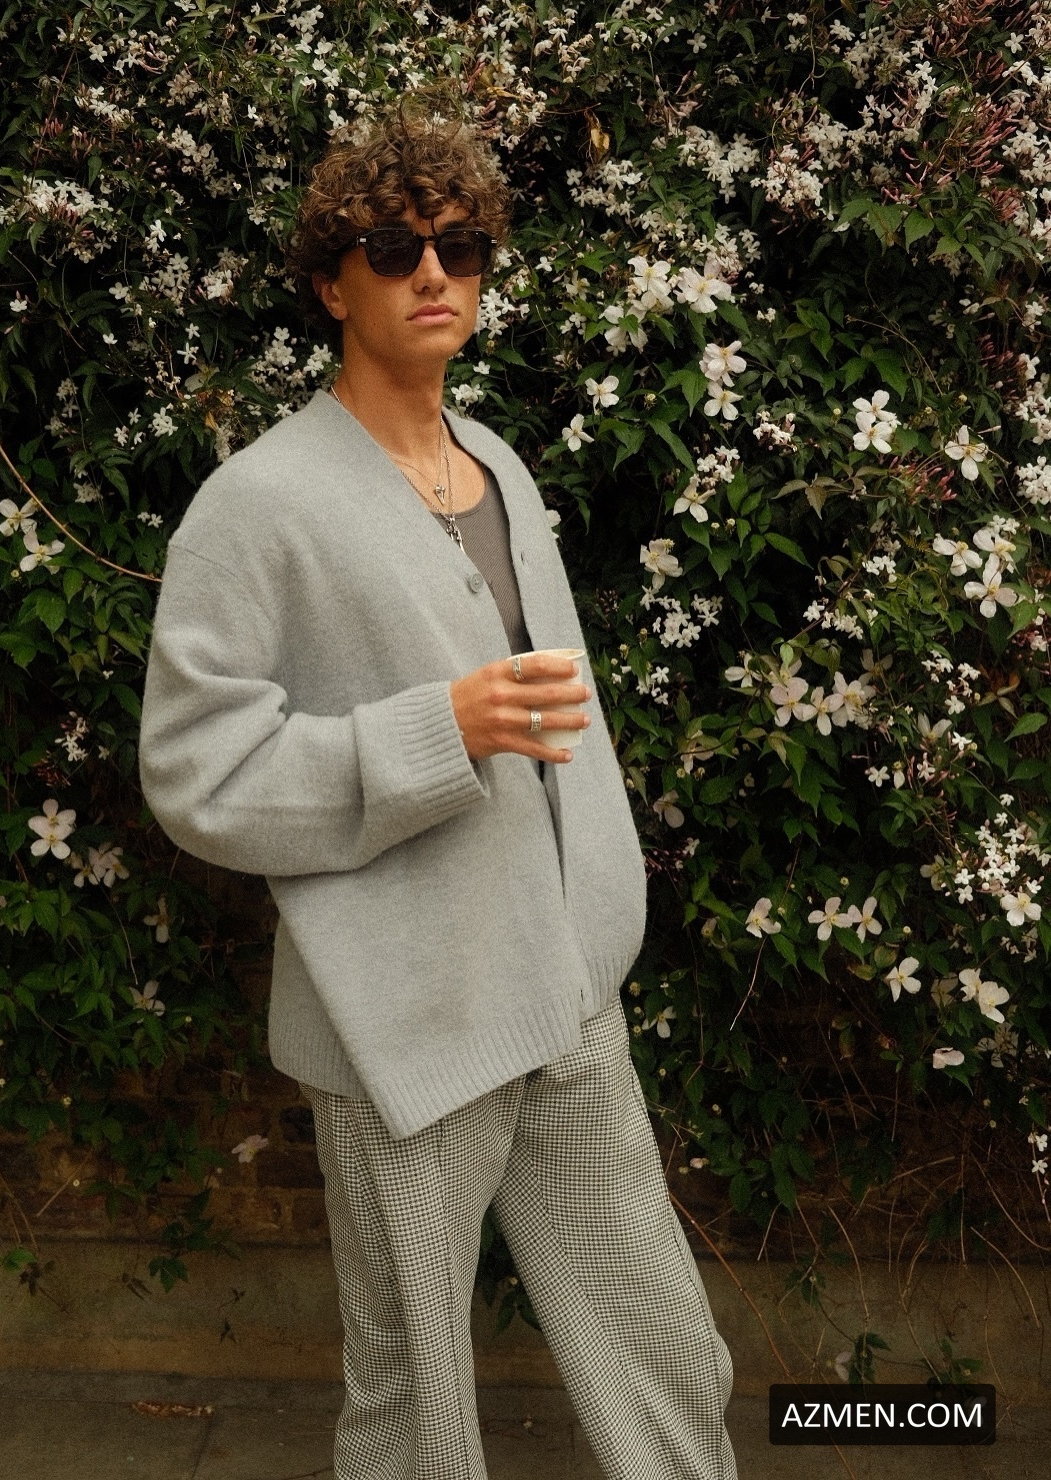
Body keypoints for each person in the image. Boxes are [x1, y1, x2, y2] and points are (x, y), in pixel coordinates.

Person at [138, 89, 737, 1480]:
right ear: (329, 281)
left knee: (666, 1351)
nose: (431, 274)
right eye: (394, 248)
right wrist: (435, 732)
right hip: (400, 1028)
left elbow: (566, 726)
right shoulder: (258, 504)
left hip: (563, 996)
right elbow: (195, 772)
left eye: (459, 249)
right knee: (414, 1411)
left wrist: (601, 923)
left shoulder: (499, 469)